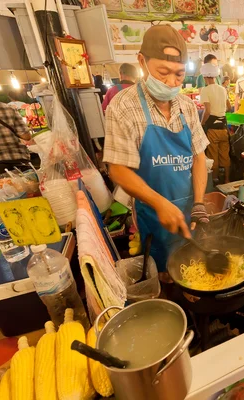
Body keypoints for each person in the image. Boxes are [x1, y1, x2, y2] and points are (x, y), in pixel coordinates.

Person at [103, 25, 210, 271]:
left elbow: (199, 157)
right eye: (163, 72)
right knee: (163, 271)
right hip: (153, 212)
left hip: (189, 210)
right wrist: (160, 203)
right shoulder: (123, 106)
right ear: (142, 62)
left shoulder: (187, 107)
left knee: (196, 267)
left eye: (179, 75)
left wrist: (200, 204)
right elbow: (118, 170)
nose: (171, 82)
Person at [199, 63, 231, 183]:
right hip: (223, 128)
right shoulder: (223, 89)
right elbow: (229, 107)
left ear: (205, 77)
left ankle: (215, 181)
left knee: (213, 156)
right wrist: (220, 110)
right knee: (225, 155)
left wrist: (201, 124)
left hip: (212, 129)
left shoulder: (205, 90)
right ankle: (227, 180)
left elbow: (207, 111)